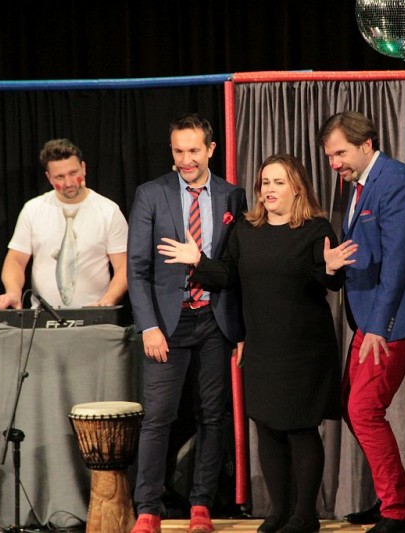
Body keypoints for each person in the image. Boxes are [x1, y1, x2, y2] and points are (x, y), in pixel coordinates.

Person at [158, 154, 357, 533]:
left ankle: (305, 515)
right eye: (265, 182)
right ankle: (279, 511)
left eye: (278, 182)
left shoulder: (315, 229)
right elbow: (228, 275)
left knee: (300, 428)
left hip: (305, 349)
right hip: (262, 346)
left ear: (297, 188)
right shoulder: (247, 229)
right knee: (267, 428)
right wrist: (197, 260)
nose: (269, 189)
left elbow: (329, 281)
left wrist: (332, 269)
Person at [317, 112, 405, 533]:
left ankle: (399, 512)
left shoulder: (394, 181)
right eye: (329, 156)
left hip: (395, 317)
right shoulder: (358, 183)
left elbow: (398, 259)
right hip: (370, 314)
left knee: (363, 408)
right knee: (350, 404)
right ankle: (394, 495)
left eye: (340, 153)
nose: (334, 163)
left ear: (366, 144)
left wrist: (379, 325)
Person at [127, 114, 247, 533]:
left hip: (215, 321)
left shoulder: (232, 196)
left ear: (211, 149)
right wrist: (148, 326)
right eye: (179, 151)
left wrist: (241, 330)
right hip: (167, 324)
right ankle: (148, 508)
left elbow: (236, 269)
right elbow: (137, 269)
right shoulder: (151, 194)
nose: (186, 159)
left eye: (194, 150)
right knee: (158, 417)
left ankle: (201, 506)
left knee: (212, 416)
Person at [0, 138, 128, 310]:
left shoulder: (108, 211)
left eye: (73, 173)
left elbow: (124, 266)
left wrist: (107, 300)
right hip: (41, 317)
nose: (68, 183)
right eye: (60, 177)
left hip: (94, 315)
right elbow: (16, 259)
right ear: (49, 177)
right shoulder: (33, 209)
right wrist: (13, 292)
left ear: (83, 168)